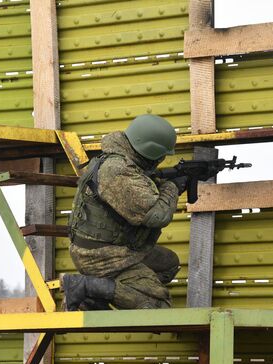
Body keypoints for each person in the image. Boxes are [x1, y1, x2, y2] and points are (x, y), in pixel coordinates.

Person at [60, 114, 187, 311]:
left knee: (168, 264)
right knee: (158, 306)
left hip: (113, 248)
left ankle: (95, 296)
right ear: (150, 150)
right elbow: (157, 215)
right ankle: (87, 286)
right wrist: (172, 188)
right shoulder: (117, 170)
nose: (162, 160)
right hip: (102, 257)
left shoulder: (124, 162)